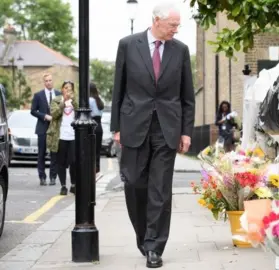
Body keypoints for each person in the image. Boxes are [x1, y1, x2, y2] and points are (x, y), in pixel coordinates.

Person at [110, 1, 195, 268]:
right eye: (172, 25)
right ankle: (143, 237)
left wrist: (186, 131)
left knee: (160, 189)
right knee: (134, 183)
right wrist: (116, 127)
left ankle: (154, 246)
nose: (176, 30)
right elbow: (118, 88)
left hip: (167, 128)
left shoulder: (180, 51)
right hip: (134, 125)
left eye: (178, 25)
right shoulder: (128, 45)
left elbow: (187, 95)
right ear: (156, 21)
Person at [47, 81, 78, 196]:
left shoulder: (76, 100)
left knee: (74, 161)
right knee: (61, 163)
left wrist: (73, 101)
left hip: (73, 136)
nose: (67, 90)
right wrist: (63, 103)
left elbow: (80, 112)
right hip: (60, 136)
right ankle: (63, 185)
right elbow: (54, 114)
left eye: (70, 88)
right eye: (65, 88)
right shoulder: (56, 100)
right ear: (62, 89)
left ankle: (74, 184)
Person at [30, 73, 60, 186]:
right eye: (46, 81)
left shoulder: (58, 94)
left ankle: (53, 177)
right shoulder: (38, 95)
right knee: (41, 154)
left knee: (54, 154)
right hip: (42, 128)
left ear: (53, 81)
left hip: (54, 129)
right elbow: (33, 111)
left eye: (50, 80)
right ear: (44, 82)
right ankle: (42, 177)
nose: (48, 82)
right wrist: (44, 116)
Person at [89, 82, 104, 176]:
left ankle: (91, 168)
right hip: (99, 125)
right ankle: (97, 167)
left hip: (92, 125)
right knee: (97, 149)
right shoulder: (99, 100)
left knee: (91, 149)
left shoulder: (89, 100)